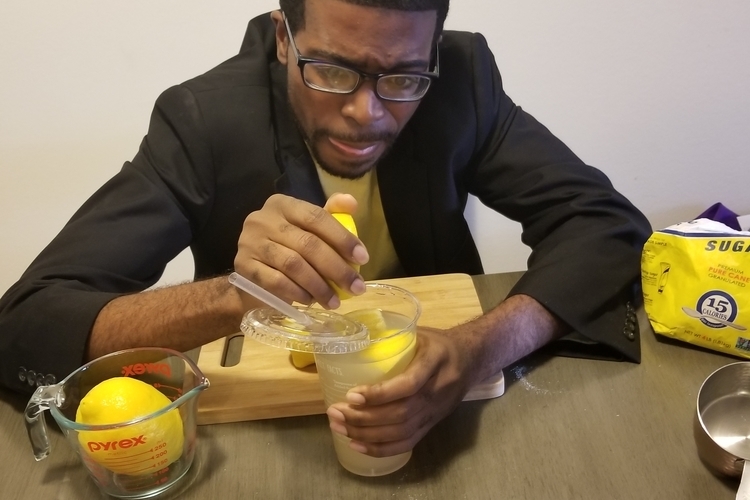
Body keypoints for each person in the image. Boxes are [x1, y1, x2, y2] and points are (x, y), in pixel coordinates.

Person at [0, 0, 651, 458]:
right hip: (264, 433)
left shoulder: (463, 82)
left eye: (403, 77)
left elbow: (603, 225)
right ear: (284, 37)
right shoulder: (202, 120)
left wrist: (480, 347)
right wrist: (238, 294)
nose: (367, 114)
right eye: (333, 70)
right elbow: (26, 321)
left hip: (449, 415)